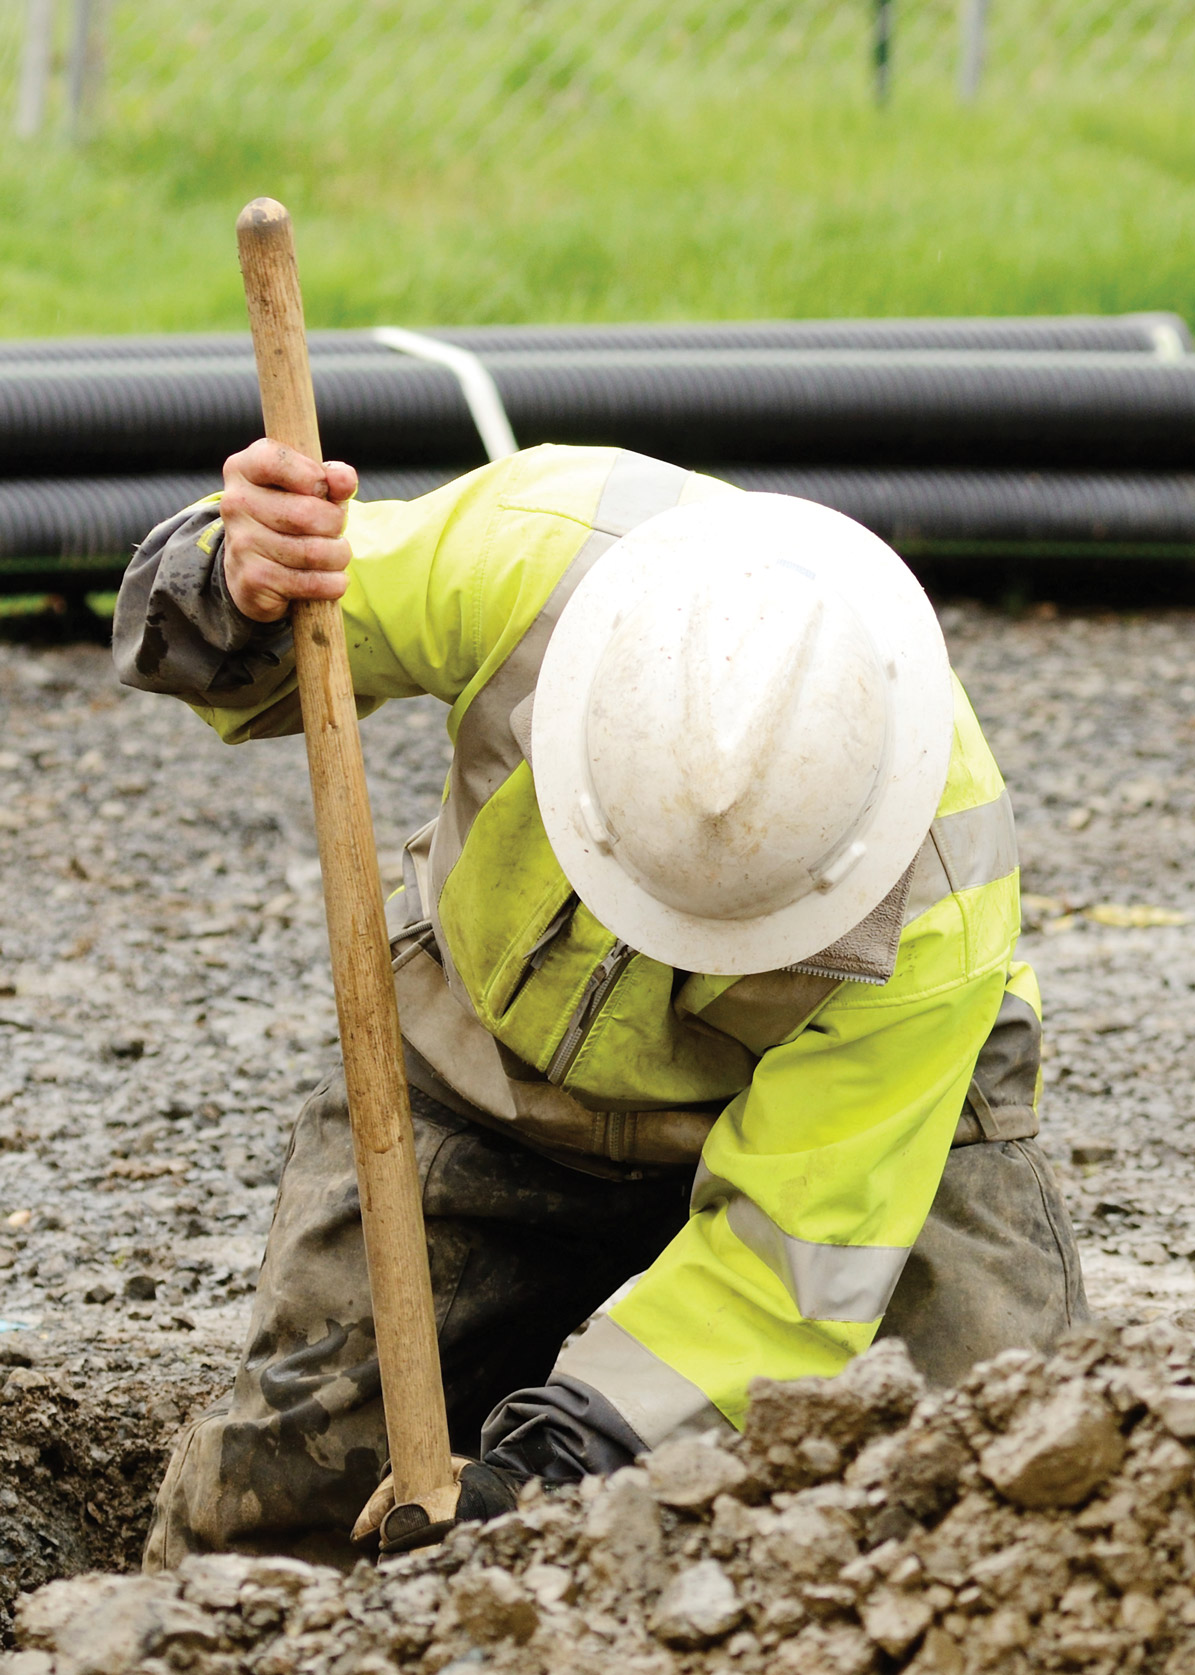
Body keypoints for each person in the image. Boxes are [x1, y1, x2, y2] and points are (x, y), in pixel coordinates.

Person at [114, 439, 1089, 1569]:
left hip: (866, 1155)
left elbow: (789, 1277)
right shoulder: (537, 553)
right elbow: (280, 626)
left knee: (982, 1503)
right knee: (271, 1517)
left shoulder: (939, 907)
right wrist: (236, 582)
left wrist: (542, 1476)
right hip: (485, 1073)